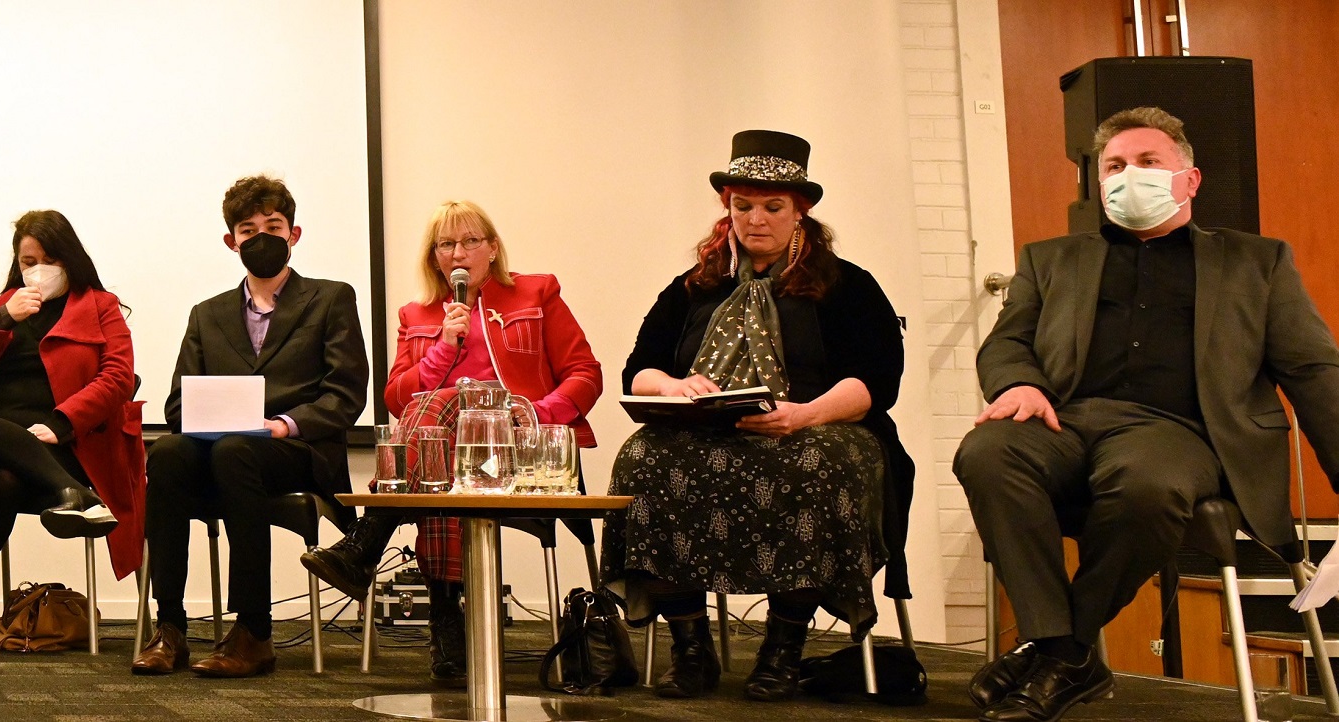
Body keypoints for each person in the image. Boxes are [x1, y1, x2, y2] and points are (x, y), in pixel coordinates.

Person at [958, 107, 1339, 722]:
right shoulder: (1050, 259)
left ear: (1189, 180)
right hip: (1067, 419)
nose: (1127, 176)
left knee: (1147, 483)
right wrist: (1021, 384)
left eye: (1147, 163)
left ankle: (1060, 649)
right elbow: (1006, 343)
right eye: (1113, 166)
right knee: (988, 451)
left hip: (1182, 433)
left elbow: (1315, 372)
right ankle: (1066, 651)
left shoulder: (1256, 262)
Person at [604, 130, 906, 701]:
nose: (757, 219)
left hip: (817, 425)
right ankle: (690, 647)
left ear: (802, 212)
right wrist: (675, 387)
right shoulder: (695, 286)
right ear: (728, 209)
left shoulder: (849, 286)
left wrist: (805, 414)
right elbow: (638, 371)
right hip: (709, 429)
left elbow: (876, 382)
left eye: (773, 207)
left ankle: (782, 649)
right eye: (744, 206)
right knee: (644, 458)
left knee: (815, 465)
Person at [301, 200, 602, 686]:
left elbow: (585, 374)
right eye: (446, 244)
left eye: (470, 241)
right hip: (449, 452)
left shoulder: (535, 292)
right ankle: (447, 622)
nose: (458, 252)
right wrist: (443, 346)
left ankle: (368, 544)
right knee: (436, 427)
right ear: (434, 256)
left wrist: (533, 415)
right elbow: (398, 399)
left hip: (521, 447)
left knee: (436, 420)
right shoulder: (417, 313)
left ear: (493, 248)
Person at [134, 175, 370, 678]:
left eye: (273, 226)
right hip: (224, 450)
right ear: (231, 241)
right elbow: (178, 401)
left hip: (297, 453)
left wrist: (284, 425)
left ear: (294, 233)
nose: (261, 237)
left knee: (235, 451)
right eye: (248, 229)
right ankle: (170, 627)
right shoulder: (208, 313)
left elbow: (345, 393)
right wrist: (212, 418)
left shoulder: (330, 298)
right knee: (169, 452)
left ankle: (254, 632)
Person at [0, 210, 144, 656]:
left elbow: (118, 377)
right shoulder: (0, 306)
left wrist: (60, 424)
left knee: (9, 481)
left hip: (62, 444)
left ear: (69, 258)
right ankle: (74, 495)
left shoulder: (101, 305)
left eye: (48, 258)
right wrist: (1, 319)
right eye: (27, 260)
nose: (37, 269)